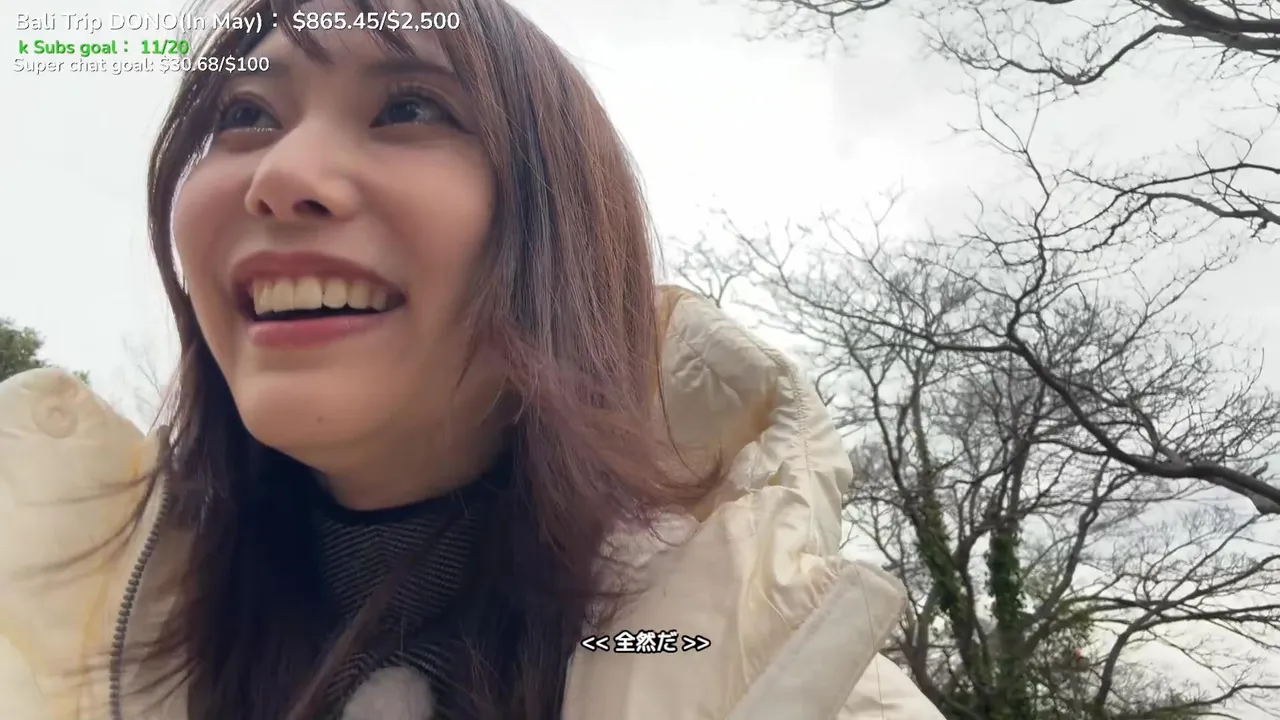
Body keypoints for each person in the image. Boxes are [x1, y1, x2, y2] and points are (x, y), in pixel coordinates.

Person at [0, 0, 946, 718]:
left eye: (409, 106)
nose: (280, 174)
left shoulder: (790, 679)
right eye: (246, 112)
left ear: (562, 235)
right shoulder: (31, 616)